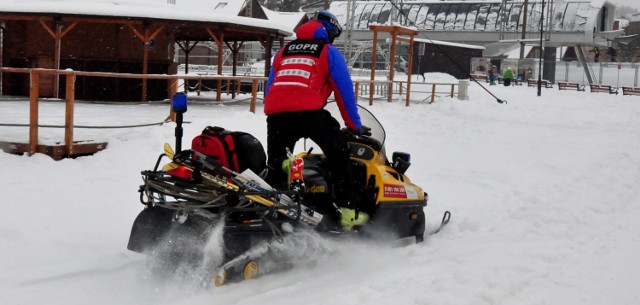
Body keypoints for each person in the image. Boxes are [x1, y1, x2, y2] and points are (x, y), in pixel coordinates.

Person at [263, 11, 368, 230]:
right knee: (339, 156)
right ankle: (349, 213)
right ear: (329, 32)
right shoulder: (328, 51)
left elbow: (270, 87)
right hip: (310, 113)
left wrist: (277, 112)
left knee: (276, 166)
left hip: (276, 114)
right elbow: (344, 91)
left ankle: (275, 210)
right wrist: (354, 125)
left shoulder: (283, 52)